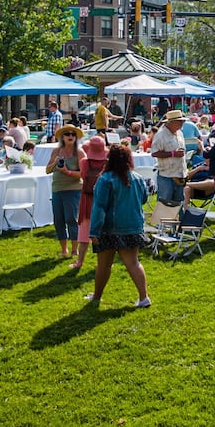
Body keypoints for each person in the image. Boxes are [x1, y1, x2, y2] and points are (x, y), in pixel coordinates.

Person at [84, 144, 151, 308]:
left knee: (104, 265)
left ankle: (97, 297)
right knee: (134, 263)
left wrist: (94, 232)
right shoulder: (137, 177)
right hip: (133, 226)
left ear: (109, 159)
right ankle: (144, 298)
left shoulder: (105, 179)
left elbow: (99, 207)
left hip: (109, 229)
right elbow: (143, 199)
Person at [46, 125, 85, 261]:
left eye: (73, 134)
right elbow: (47, 170)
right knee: (59, 220)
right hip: (57, 189)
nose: (70, 136)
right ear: (62, 137)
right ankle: (64, 250)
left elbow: (84, 174)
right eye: (67, 134)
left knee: (71, 219)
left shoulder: (79, 152)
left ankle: (74, 250)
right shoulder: (56, 151)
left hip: (73, 190)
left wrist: (67, 172)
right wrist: (55, 163)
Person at [74, 135, 110, 272]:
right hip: (103, 200)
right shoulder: (108, 162)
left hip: (87, 200)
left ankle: (79, 262)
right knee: (104, 233)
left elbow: (83, 176)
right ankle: (105, 263)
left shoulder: (84, 162)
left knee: (83, 233)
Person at [150, 111, 188, 208]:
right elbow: (154, 153)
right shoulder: (160, 135)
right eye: (179, 121)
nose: (181, 123)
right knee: (164, 206)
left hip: (180, 175)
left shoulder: (179, 133)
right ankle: (161, 223)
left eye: (182, 121)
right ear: (170, 122)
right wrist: (173, 154)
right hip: (166, 176)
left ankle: (176, 223)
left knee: (178, 206)